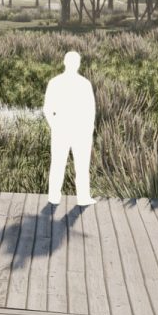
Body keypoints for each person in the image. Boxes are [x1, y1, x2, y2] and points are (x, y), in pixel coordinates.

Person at [43, 51, 95, 206]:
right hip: (79, 131)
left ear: (65, 62)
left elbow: (47, 109)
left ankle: (54, 197)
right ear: (77, 64)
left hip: (64, 129)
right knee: (81, 166)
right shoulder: (84, 83)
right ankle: (83, 198)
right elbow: (90, 110)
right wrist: (88, 129)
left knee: (58, 164)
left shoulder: (55, 82)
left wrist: (54, 125)